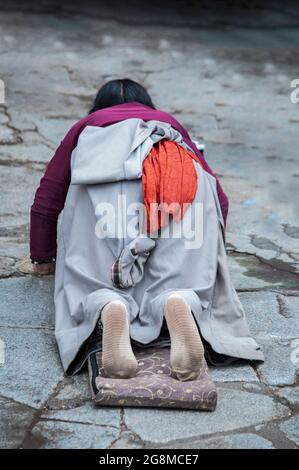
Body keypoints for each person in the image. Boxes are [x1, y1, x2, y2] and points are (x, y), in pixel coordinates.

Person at [30, 78, 263, 381]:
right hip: (174, 191)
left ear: (99, 107)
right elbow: (219, 199)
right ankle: (176, 299)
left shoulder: (86, 127)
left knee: (92, 273)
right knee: (178, 275)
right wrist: (210, 252)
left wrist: (43, 257)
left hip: (108, 204)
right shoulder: (169, 125)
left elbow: (46, 202)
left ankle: (108, 303)